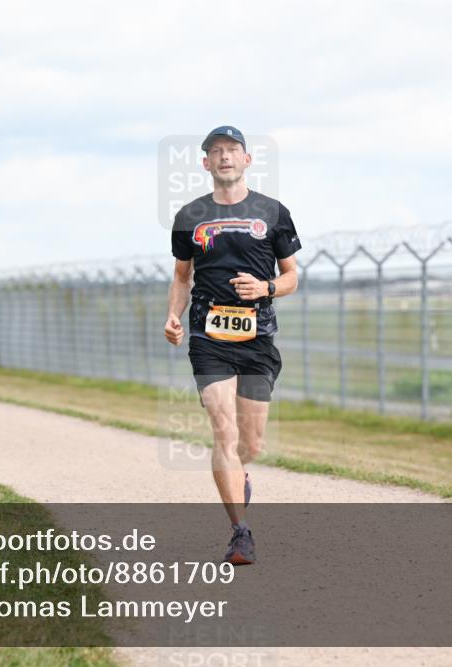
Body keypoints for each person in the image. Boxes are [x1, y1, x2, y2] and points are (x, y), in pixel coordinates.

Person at [164, 126, 301, 565]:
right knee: (223, 430)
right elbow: (182, 276)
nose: (224, 157)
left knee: (250, 445)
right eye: (216, 151)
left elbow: (292, 277)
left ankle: (239, 476)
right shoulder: (190, 216)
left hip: (257, 337)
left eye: (232, 150)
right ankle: (240, 532)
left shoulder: (273, 212)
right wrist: (173, 315)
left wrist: (265, 287)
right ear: (205, 163)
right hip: (208, 337)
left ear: (247, 160)